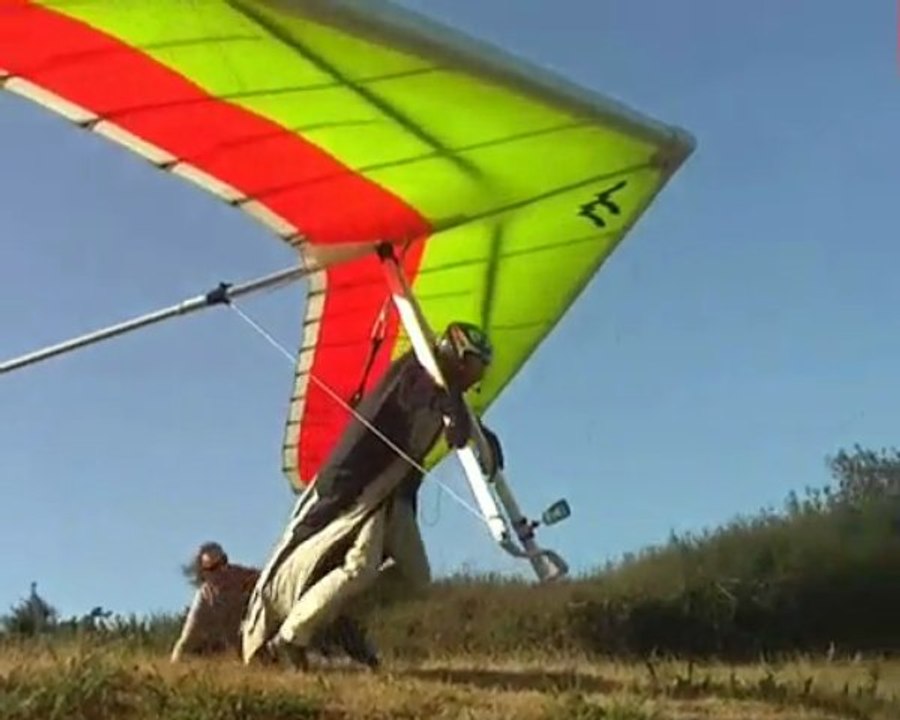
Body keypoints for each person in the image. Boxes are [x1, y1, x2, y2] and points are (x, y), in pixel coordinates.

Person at [240, 321, 503, 670]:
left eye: (480, 369)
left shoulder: (443, 393)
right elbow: (429, 400)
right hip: (364, 489)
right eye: (471, 365)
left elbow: (449, 413)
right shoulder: (415, 372)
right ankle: (291, 639)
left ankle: (337, 615)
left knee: (417, 577)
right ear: (452, 354)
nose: (474, 375)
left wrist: (482, 435)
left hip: (394, 496)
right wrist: (453, 410)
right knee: (359, 567)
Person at [170, 541, 259, 662]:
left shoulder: (243, 576)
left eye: (222, 562)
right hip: (226, 656)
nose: (221, 571)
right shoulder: (204, 599)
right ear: (204, 573)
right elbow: (186, 641)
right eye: (213, 569)